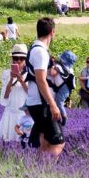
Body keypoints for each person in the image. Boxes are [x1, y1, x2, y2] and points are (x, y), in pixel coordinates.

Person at [24, 17, 65, 158]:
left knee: (45, 142)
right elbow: (41, 80)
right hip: (42, 103)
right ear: (52, 32)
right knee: (58, 142)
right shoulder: (40, 52)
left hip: (36, 102)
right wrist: (53, 105)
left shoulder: (36, 49)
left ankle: (37, 168)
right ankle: (46, 168)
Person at [0, 44, 29, 143]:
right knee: (6, 140)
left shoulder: (29, 74)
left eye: (22, 58)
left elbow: (31, 93)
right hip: (10, 112)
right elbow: (5, 95)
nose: (18, 61)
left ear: (25, 60)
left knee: (24, 142)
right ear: (12, 59)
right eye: (16, 58)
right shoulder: (6, 73)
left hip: (24, 113)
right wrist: (11, 79)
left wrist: (22, 81)